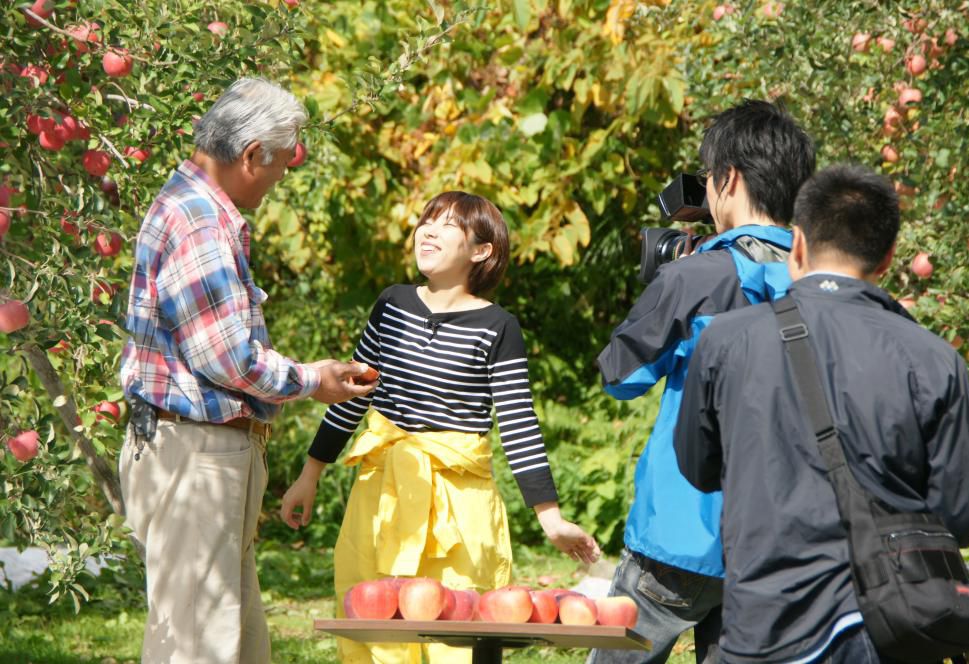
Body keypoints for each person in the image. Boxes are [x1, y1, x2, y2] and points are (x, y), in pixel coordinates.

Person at [674, 164, 969, 663]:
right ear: (887, 257)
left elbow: (697, 466)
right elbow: (966, 514)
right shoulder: (934, 358)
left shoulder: (725, 340)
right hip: (891, 626)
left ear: (796, 244)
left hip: (762, 624)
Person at [281, 191, 602, 664]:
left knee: (458, 628)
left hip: (459, 503)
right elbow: (353, 393)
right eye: (426, 220)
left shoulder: (498, 326)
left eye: (447, 224)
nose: (427, 231)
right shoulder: (391, 305)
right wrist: (311, 473)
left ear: (481, 250)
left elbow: (517, 423)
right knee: (377, 625)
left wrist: (549, 518)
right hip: (383, 493)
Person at [118, 78, 375, 664]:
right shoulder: (203, 221)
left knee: (232, 642)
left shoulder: (191, 206)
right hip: (196, 454)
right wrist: (315, 381)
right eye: (282, 164)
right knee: (200, 646)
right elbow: (227, 360)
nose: (283, 176)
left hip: (195, 451)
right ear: (253, 153)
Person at [592, 100, 816, 663]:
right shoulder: (820, 280)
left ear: (728, 179)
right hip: (780, 545)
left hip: (680, 539)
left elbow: (620, 376)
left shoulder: (695, 275)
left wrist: (669, 281)